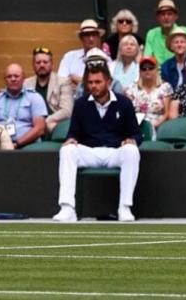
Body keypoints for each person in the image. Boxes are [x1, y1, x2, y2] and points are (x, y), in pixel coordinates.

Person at [53, 61, 142, 222]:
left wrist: (131, 140)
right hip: (90, 152)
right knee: (67, 150)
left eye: (98, 82)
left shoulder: (124, 103)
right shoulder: (80, 104)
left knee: (132, 151)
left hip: (115, 152)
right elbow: (73, 132)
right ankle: (67, 208)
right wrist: (71, 139)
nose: (94, 86)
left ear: (108, 82)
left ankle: (125, 207)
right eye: (90, 82)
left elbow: (136, 133)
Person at [0, 64, 48, 148]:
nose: (13, 79)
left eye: (16, 76)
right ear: (5, 80)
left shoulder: (35, 97)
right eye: (9, 76)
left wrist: (17, 144)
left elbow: (39, 129)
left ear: (23, 78)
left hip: (28, 145)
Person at [27, 47, 75, 136]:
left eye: (45, 62)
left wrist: (44, 122)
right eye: (38, 62)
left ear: (52, 65)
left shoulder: (63, 82)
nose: (42, 65)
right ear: (33, 65)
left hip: (54, 124)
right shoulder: (26, 84)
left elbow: (67, 111)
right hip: (30, 126)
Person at [125, 55, 173, 131]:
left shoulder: (165, 87)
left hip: (159, 127)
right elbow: (127, 113)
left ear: (156, 70)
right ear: (140, 72)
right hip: (136, 127)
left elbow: (166, 114)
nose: (147, 71)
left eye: (151, 68)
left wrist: (153, 126)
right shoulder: (131, 89)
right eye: (144, 69)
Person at [59, 19, 105, 87]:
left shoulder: (105, 58)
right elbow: (61, 81)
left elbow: (106, 84)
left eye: (94, 35)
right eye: (87, 35)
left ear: (98, 37)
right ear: (81, 38)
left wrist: (75, 79)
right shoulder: (69, 57)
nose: (91, 39)